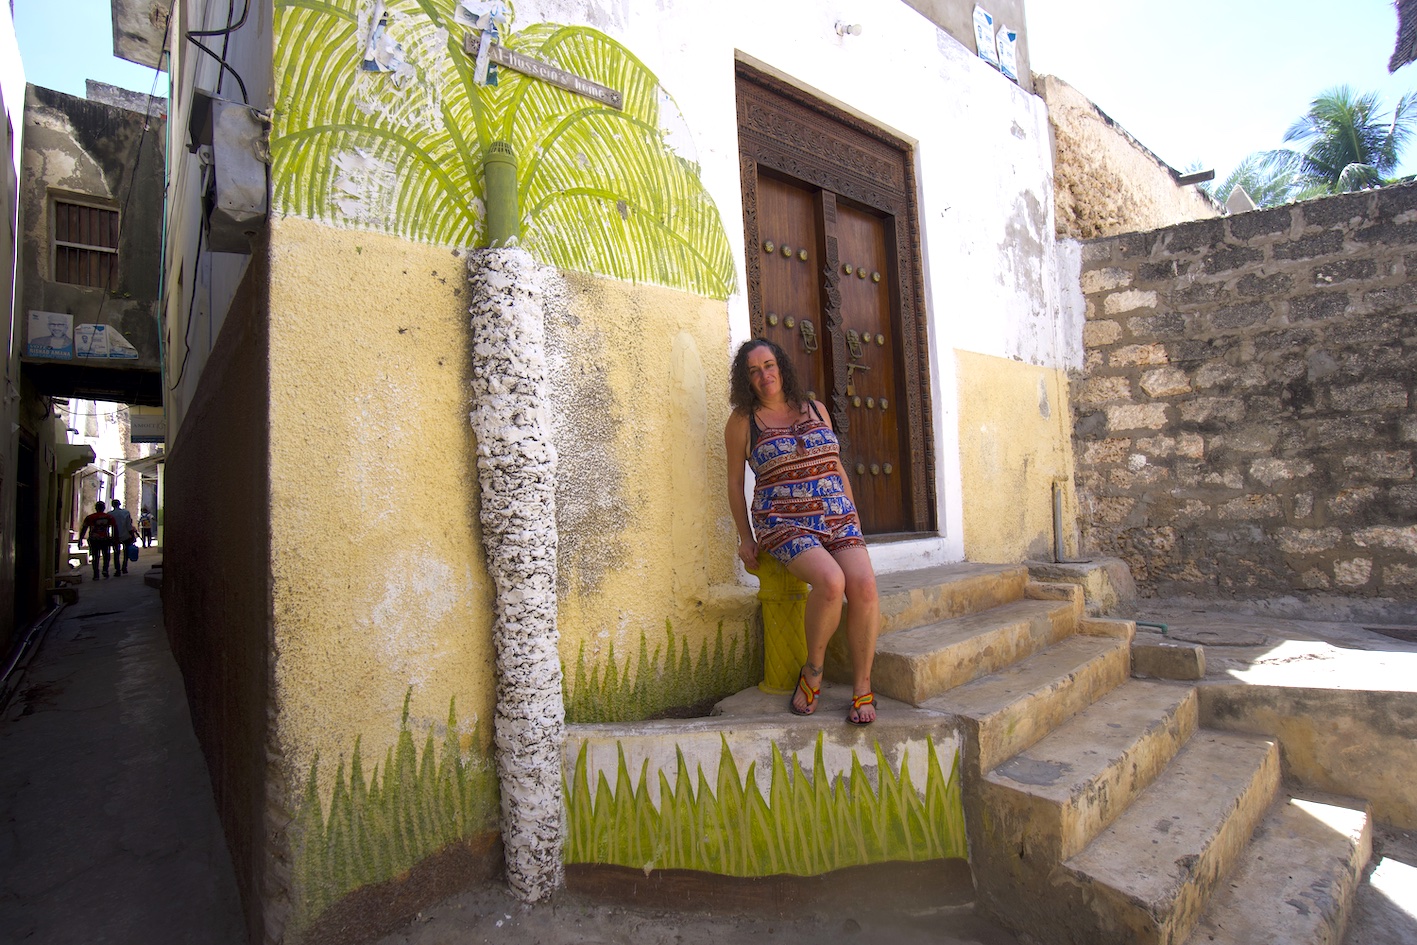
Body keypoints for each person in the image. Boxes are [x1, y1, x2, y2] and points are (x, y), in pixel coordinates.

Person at [724, 337, 881, 724]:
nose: (764, 375)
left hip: (835, 512)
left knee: (863, 585)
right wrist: (745, 537)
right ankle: (813, 670)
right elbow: (732, 483)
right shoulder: (744, 421)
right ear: (746, 380)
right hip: (782, 519)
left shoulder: (815, 409)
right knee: (831, 582)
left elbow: (836, 465)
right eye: (754, 370)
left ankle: (863, 686)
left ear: (782, 366)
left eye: (769, 365)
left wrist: (852, 513)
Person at [78, 500, 118, 580]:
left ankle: (96, 574)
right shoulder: (108, 517)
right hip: (105, 539)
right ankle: (105, 570)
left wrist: (80, 539)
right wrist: (115, 538)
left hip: (94, 539)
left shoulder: (90, 517)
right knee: (106, 555)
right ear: (104, 508)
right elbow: (115, 528)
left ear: (96, 508)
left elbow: (84, 528)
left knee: (95, 556)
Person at [109, 498, 135, 575]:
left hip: (115, 536)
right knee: (126, 552)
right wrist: (132, 535)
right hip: (126, 535)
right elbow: (129, 525)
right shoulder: (126, 512)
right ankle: (124, 567)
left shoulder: (110, 514)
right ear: (120, 504)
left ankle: (117, 569)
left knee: (116, 553)